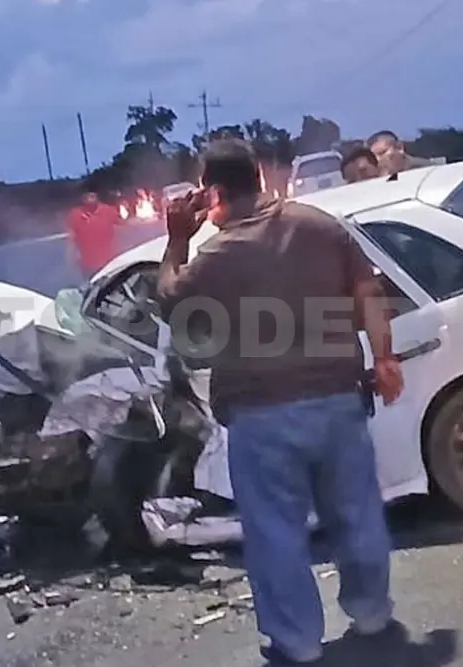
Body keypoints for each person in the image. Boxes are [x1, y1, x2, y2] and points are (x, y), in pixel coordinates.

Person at [156, 138, 404, 666]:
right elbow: (369, 292)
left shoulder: (217, 256)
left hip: (262, 416)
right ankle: (372, 612)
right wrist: (385, 359)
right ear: (261, 177)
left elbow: (173, 308)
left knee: (276, 534)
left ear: (214, 192)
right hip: (339, 399)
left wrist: (178, 238)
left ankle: (298, 642)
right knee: (358, 515)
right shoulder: (318, 225)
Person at [66, 190, 118, 277]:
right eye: (86, 197)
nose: (89, 199)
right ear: (82, 199)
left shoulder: (109, 210)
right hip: (88, 264)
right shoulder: (75, 214)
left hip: (110, 262)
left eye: (92, 196)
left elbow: (122, 227)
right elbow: (71, 238)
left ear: (97, 196)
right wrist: (69, 256)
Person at [366, 130, 432, 176]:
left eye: (382, 153)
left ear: (399, 148)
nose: (378, 160)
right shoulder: (375, 176)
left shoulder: (426, 170)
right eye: (373, 157)